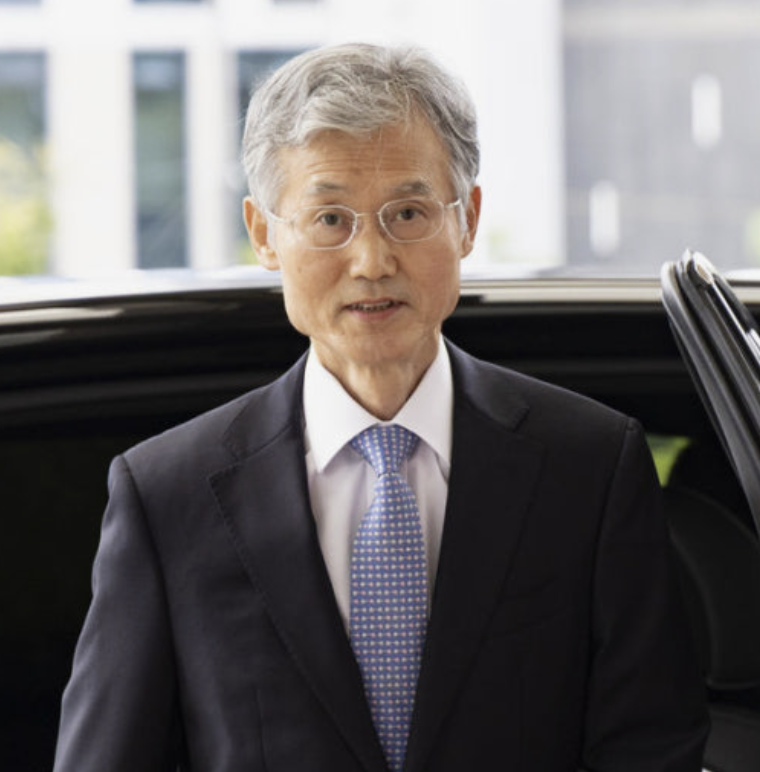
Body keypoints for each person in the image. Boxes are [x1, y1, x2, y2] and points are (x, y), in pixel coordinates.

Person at [54, 43, 709, 771]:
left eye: (408, 212)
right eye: (330, 218)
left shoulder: (589, 465)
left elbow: (650, 750)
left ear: (468, 220)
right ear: (265, 234)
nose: (372, 260)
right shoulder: (169, 497)